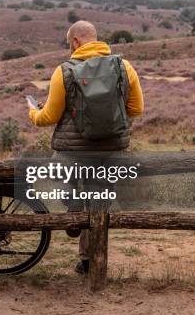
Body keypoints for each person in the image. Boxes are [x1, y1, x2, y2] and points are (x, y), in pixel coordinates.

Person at [27, 20, 144, 275]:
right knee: (99, 203)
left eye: (70, 44)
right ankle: (89, 262)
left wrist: (33, 113)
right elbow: (136, 109)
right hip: (110, 150)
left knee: (59, 178)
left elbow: (49, 117)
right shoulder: (124, 68)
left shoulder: (64, 71)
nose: (70, 48)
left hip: (72, 151)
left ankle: (73, 209)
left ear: (76, 41)